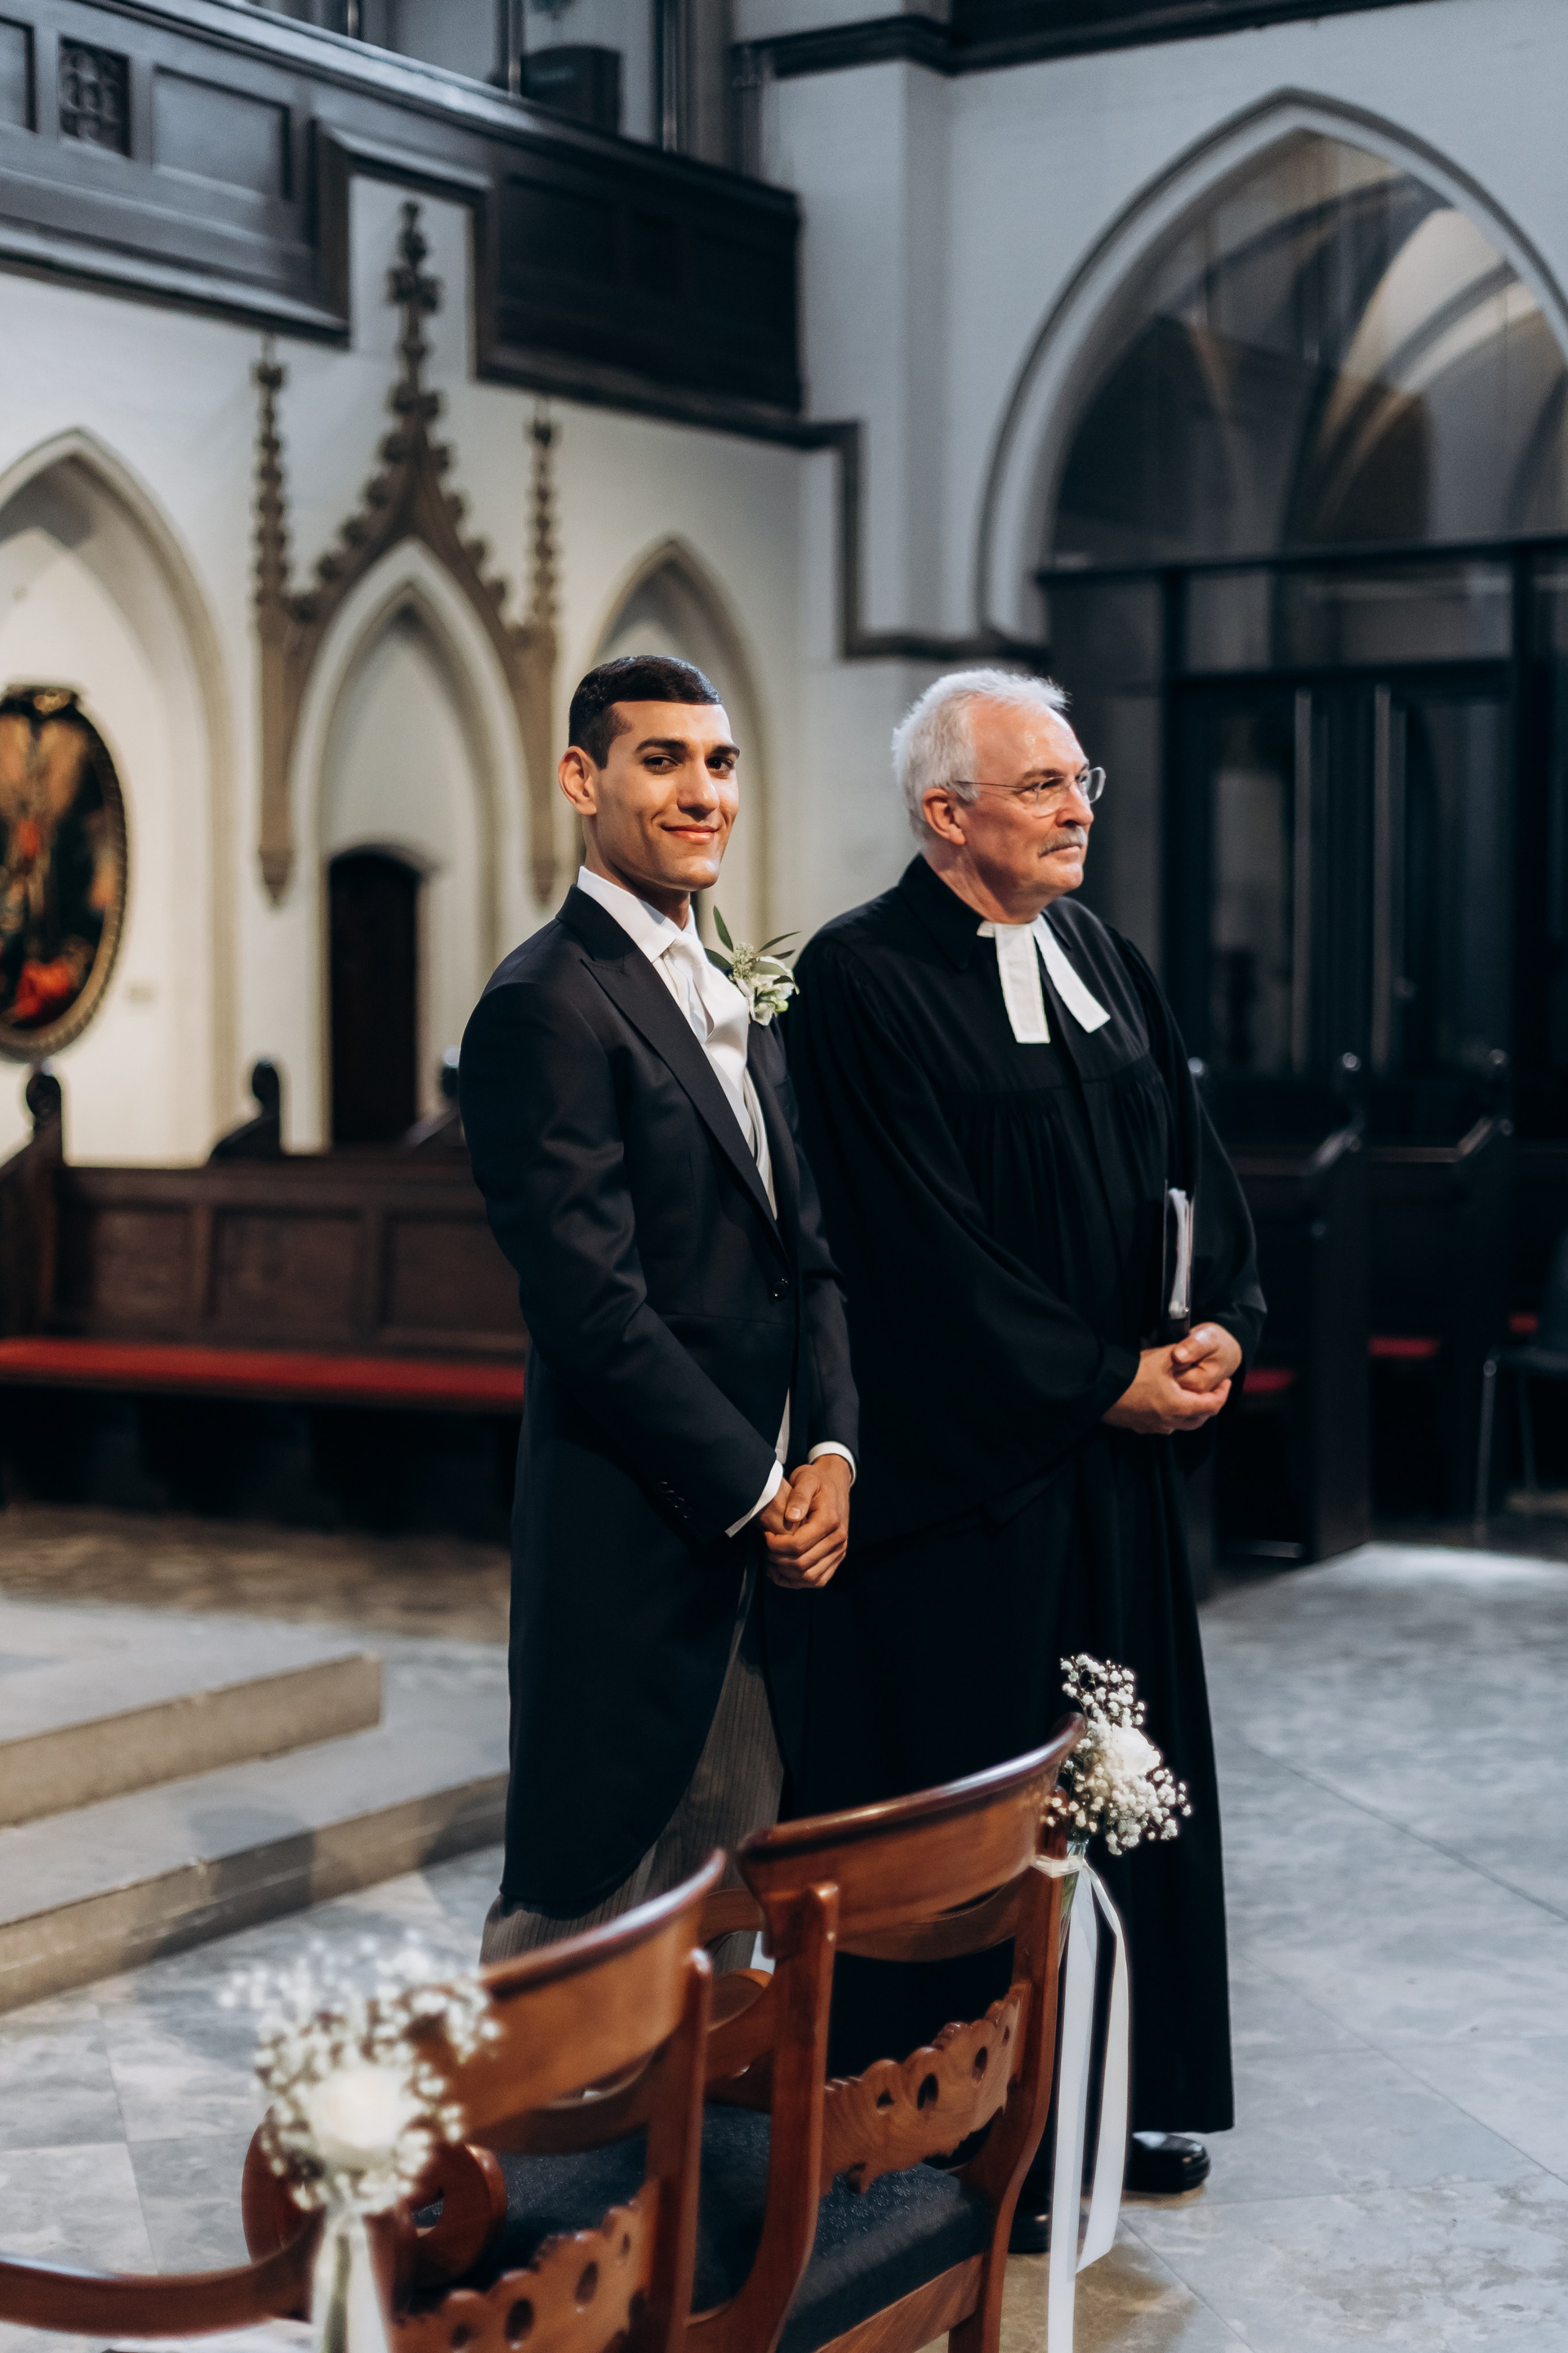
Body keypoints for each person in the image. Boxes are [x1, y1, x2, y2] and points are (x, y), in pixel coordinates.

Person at [786, 669, 1265, 2232]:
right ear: (948, 813)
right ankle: (984, 2141)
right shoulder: (860, 979)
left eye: (1081, 782)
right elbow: (919, 1254)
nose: (1077, 811)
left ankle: (1122, 2096)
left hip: (1115, 1481)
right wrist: (1097, 1377)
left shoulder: (1101, 955)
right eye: (1045, 785)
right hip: (976, 1495)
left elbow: (1192, 1168)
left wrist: (1220, 1322)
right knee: (994, 1811)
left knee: (1126, 1787)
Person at [460, 653, 858, 1964]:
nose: (703, 792)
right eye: (664, 759)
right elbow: (593, 1307)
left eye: (720, 761)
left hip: (771, 1542)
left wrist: (834, 1451)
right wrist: (758, 1485)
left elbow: (811, 1255)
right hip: (637, 1532)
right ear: (582, 778)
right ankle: (521, 2111)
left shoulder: (737, 991)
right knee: (576, 1921)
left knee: (725, 1914)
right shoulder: (544, 1003)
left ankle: (692, 2112)